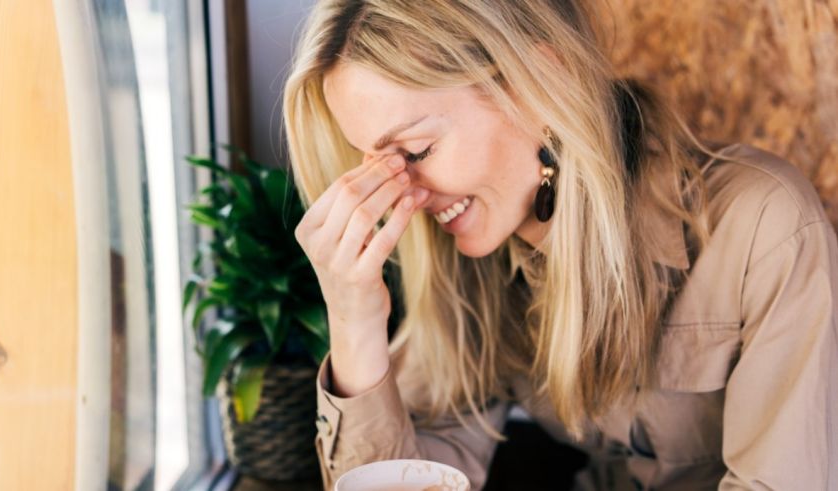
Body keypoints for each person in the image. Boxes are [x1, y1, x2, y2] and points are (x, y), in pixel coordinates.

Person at [282, 1, 838, 489]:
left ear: (540, 82)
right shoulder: (470, 258)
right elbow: (411, 479)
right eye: (375, 164)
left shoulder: (765, 229)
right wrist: (354, 323)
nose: (405, 193)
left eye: (416, 151)